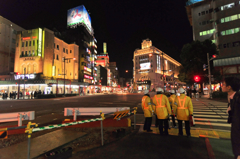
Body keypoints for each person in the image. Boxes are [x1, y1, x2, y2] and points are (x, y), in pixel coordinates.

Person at [222, 77, 240, 159]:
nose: (222, 86)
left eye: (223, 84)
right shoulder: (231, 97)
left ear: (229, 87)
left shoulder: (237, 98)